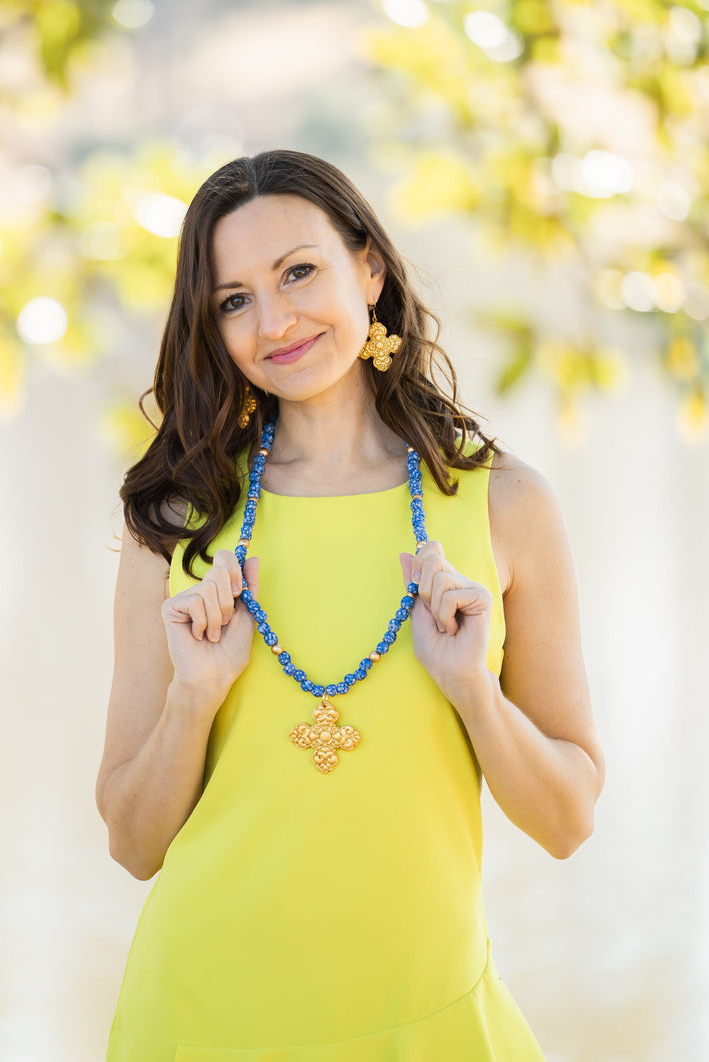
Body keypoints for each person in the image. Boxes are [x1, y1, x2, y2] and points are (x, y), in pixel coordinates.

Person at [96, 148, 606, 1060]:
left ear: (367, 268)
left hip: (430, 1021)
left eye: (299, 272)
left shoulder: (504, 506)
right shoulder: (180, 522)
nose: (276, 320)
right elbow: (134, 845)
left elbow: (567, 822)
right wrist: (194, 699)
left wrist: (473, 693)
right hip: (202, 1019)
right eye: (234, 299)